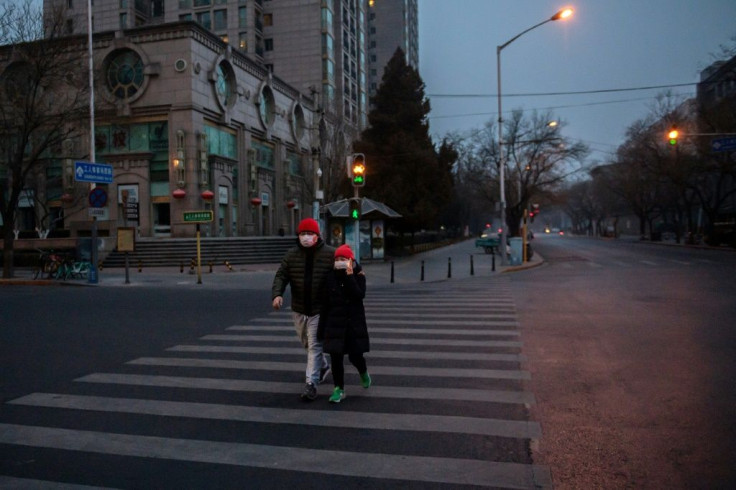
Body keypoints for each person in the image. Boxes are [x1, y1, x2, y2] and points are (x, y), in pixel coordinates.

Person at [272, 218, 335, 401]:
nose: (306, 237)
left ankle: (311, 384)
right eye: (303, 234)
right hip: (299, 308)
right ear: (298, 236)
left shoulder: (329, 254)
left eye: (310, 234)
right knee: (306, 343)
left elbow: (345, 266)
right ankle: (323, 366)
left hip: (319, 309)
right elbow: (281, 276)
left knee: (315, 345)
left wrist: (354, 270)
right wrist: (277, 294)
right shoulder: (291, 255)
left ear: (317, 236)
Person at [317, 244, 371, 404]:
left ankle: (363, 372)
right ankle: (338, 389)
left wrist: (349, 276)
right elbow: (325, 304)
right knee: (336, 358)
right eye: (337, 259)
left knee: (355, 356)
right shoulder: (330, 277)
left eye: (344, 259)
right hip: (335, 324)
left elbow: (358, 295)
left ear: (351, 261)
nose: (340, 262)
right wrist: (322, 329)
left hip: (353, 324)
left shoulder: (358, 275)